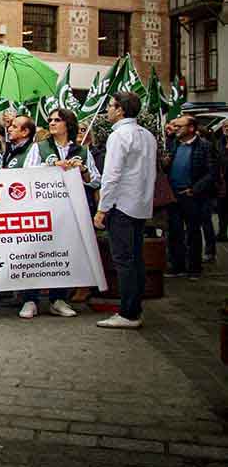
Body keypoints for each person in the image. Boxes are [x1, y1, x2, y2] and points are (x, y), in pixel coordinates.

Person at [17, 108, 100, 319]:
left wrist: (82, 171)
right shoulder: (40, 147)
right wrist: (51, 165)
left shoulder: (82, 151)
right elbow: (26, 173)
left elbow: (96, 180)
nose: (52, 123)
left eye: (57, 120)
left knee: (63, 252)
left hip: (69, 211)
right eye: (50, 120)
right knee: (35, 251)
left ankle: (58, 298)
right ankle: (30, 298)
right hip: (43, 208)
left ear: (68, 125)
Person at [94, 92, 156, 330]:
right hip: (139, 204)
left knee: (124, 260)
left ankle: (128, 313)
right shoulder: (147, 135)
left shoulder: (119, 135)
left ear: (120, 110)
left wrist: (102, 209)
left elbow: (112, 176)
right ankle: (134, 308)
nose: (107, 110)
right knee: (135, 259)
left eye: (110, 106)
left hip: (122, 205)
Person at [162, 115, 217, 280]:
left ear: (191, 128)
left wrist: (194, 189)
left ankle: (194, 268)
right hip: (174, 195)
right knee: (174, 232)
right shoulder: (173, 145)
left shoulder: (205, 146)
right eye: (175, 126)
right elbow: (166, 167)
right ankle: (177, 266)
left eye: (180, 126)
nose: (176, 129)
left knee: (193, 232)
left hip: (192, 196)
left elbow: (212, 172)